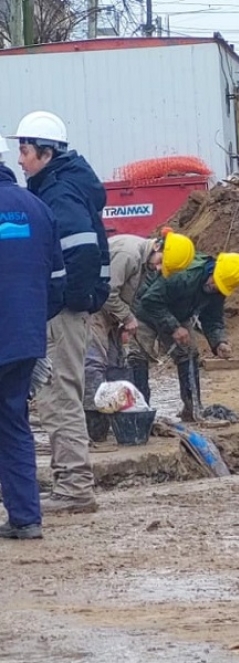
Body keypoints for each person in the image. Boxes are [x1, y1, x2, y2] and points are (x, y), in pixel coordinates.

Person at [12, 110, 111, 515]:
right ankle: (71, 482)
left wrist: (60, 300)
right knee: (60, 393)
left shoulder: (60, 193)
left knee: (58, 396)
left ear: (46, 153)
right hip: (72, 309)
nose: (20, 161)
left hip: (64, 313)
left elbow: (81, 252)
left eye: (25, 151)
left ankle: (74, 488)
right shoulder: (65, 185)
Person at [0, 131, 66, 539]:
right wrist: (29, 324)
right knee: (14, 426)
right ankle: (26, 519)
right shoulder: (37, 207)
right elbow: (58, 282)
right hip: (23, 342)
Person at [84, 229, 196, 447]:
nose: (158, 267)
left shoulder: (144, 261)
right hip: (93, 310)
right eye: (161, 261)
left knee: (116, 364)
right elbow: (108, 292)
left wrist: (127, 319)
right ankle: (93, 425)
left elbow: (132, 295)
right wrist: (127, 318)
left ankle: (112, 421)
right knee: (94, 365)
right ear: (157, 246)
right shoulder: (129, 254)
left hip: (109, 314)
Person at [131, 251, 239, 421]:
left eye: (220, 286)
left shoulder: (218, 289)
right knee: (139, 356)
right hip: (147, 310)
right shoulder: (183, 277)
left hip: (177, 313)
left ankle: (192, 410)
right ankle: (140, 414)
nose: (215, 287)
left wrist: (219, 342)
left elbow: (212, 318)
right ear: (213, 271)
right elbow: (150, 301)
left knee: (188, 353)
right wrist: (174, 327)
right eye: (215, 282)